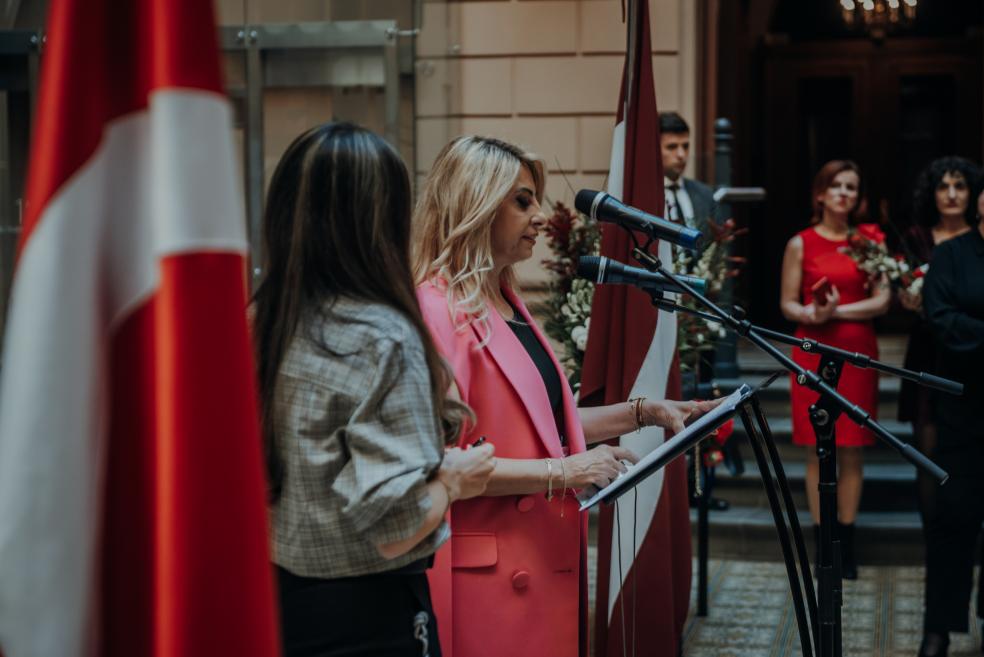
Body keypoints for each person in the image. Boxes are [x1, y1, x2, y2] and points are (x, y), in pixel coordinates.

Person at [412, 135, 719, 657]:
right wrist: (564, 472)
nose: (539, 216)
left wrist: (646, 412)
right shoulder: (438, 310)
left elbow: (541, 424)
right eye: (522, 200)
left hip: (540, 558)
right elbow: (436, 462)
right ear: (476, 205)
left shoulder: (506, 300)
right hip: (489, 576)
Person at [252, 122, 496, 657]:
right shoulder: (382, 336)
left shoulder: (259, 319)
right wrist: (455, 479)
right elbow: (396, 526)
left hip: (272, 600)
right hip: (367, 615)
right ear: (381, 219)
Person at [779, 160, 890, 580]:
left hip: (857, 349)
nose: (845, 193)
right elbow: (787, 304)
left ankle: (847, 539)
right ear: (821, 194)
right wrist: (813, 312)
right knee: (816, 446)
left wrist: (835, 310)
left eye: (852, 187)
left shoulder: (870, 241)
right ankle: (822, 540)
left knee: (852, 446)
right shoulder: (799, 243)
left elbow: (882, 301)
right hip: (811, 347)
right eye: (837, 186)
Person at [917, 174, 984, 657]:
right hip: (963, 409)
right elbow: (943, 320)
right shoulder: (952, 255)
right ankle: (938, 628)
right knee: (951, 519)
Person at [898, 157, 979, 527]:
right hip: (928, 352)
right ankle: (935, 533)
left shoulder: (979, 241)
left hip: (972, 356)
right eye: (943, 186)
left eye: (959, 186)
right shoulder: (916, 238)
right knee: (927, 450)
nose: (951, 194)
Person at [659, 111, 732, 511]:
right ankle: (669, 487)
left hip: (700, 320)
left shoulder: (704, 196)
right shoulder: (640, 197)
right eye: (671, 147)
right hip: (660, 318)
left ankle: (703, 487)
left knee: (705, 401)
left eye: (685, 146)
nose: (681, 154)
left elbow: (719, 258)